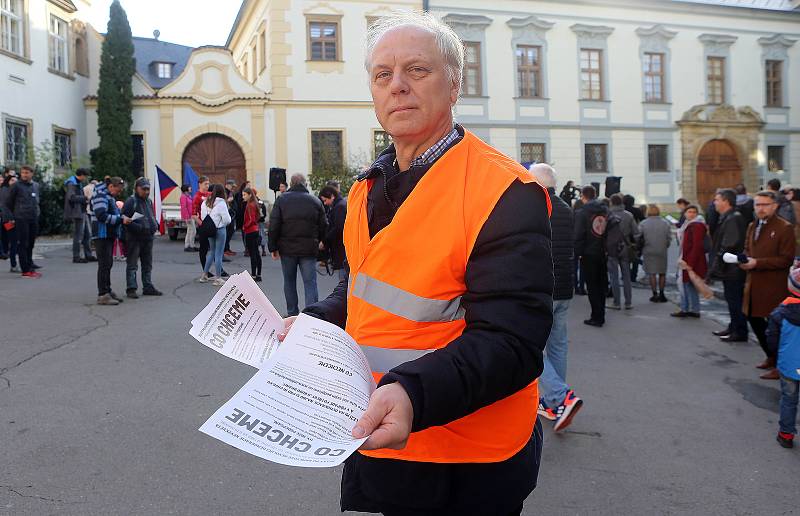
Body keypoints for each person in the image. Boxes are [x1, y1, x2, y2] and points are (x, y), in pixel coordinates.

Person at [279, 13, 551, 514]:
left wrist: (412, 393)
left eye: (417, 70)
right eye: (383, 75)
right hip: (386, 435)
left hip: (466, 458)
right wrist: (314, 325)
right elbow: (364, 287)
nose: (397, 86)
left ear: (455, 85)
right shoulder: (366, 188)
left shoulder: (506, 191)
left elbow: (512, 340)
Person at [530, 163, 582, 431]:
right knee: (558, 345)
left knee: (530, 346)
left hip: (543, 288)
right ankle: (555, 403)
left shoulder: (536, 207)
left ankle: (561, 397)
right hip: (565, 288)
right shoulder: (565, 208)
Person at [741, 190, 795, 379]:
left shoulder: (784, 227)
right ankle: (771, 356)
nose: (760, 209)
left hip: (773, 285)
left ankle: (783, 365)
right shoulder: (752, 225)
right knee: (753, 319)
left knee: (776, 326)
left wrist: (758, 263)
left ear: (775, 206)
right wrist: (744, 260)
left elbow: (786, 259)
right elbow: (748, 249)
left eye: (765, 205)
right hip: (753, 283)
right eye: (757, 205)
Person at [268, 173, 327, 316]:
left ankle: (292, 313)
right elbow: (323, 225)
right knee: (310, 283)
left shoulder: (282, 200)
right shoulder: (315, 201)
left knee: (289, 282)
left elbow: (274, 225)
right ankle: (311, 315)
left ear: (291, 183)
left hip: (287, 249)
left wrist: (273, 247)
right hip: (308, 249)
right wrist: (320, 241)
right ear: (305, 184)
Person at [766, 265, 800, 449]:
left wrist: (776, 354)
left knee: (789, 399)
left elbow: (771, 340)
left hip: (789, 365)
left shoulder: (780, 313)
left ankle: (786, 434)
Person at [708, 188, 748, 342]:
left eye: (717, 200)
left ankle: (739, 331)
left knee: (735, 301)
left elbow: (729, 245)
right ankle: (733, 327)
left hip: (732, 268)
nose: (714, 203)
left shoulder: (733, 218)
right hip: (729, 268)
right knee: (732, 301)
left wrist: (716, 266)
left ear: (726, 201)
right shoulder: (727, 217)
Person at [91, 177, 131, 305]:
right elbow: (101, 215)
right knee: (104, 265)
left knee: (107, 264)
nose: (118, 193)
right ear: (111, 186)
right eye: (118, 190)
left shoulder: (107, 196)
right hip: (101, 234)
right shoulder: (101, 195)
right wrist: (120, 220)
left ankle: (107, 290)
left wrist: (120, 216)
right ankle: (103, 294)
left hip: (107, 234)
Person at [122, 177, 162, 299]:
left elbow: (150, 215)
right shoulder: (131, 201)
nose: (146, 191)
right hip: (134, 239)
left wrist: (155, 224)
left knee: (147, 264)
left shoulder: (149, 201)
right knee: (132, 264)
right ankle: (131, 288)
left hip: (148, 238)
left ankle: (147, 286)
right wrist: (138, 227)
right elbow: (123, 218)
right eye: (144, 189)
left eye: (148, 189)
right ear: (137, 188)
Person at [575, 184, 608, 326]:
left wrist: (578, 253)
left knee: (592, 286)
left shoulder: (582, 213)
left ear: (583, 196)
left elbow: (578, 235)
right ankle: (601, 314)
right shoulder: (605, 210)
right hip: (603, 251)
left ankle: (596, 316)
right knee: (601, 284)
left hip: (588, 253)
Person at [4, 165, 41, 278]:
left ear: (32, 173)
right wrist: (13, 216)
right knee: (23, 244)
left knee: (31, 243)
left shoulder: (35, 186)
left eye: (27, 173)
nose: (24, 175)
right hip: (21, 218)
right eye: (23, 172)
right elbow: (8, 203)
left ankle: (30, 267)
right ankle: (25, 270)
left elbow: (37, 201)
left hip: (33, 218)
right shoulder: (16, 186)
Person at [673, 204, 708, 318]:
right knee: (687, 285)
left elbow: (696, 246)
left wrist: (690, 264)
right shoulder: (687, 225)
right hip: (687, 258)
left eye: (694, 212)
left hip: (691, 260)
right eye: (689, 212)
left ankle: (689, 309)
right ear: (685, 214)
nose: (691, 214)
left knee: (687, 285)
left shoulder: (696, 226)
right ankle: (690, 309)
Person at [606, 193, 639, 310]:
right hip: (625, 246)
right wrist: (635, 245)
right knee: (626, 276)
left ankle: (616, 302)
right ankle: (628, 302)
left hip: (611, 247)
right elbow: (636, 232)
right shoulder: (629, 215)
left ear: (611, 203)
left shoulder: (607, 215)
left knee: (613, 276)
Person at [198, 184, 231, 287]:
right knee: (219, 254)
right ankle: (218, 278)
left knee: (212, 252)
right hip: (220, 230)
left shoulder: (205, 202)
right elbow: (227, 220)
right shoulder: (222, 203)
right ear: (222, 193)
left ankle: (204, 275)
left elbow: (203, 217)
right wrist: (221, 224)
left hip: (209, 229)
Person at [639, 204, 672, 302]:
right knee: (662, 273)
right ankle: (662, 293)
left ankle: (654, 293)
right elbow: (669, 238)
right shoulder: (665, 223)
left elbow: (638, 236)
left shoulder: (643, 223)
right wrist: (665, 245)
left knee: (652, 273)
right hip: (661, 250)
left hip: (648, 249)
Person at [63, 168, 95, 263]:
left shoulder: (77, 183)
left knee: (87, 234)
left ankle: (88, 255)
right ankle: (76, 256)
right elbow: (71, 197)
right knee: (78, 235)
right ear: (82, 175)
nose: (86, 179)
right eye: (85, 177)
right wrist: (85, 198)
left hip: (81, 211)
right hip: (76, 212)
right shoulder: (72, 183)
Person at [319, 185, 347, 281]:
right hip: (342, 248)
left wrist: (325, 241)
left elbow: (337, 228)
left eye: (325, 200)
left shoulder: (339, 207)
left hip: (341, 249)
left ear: (332, 196)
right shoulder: (340, 205)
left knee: (343, 281)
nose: (325, 203)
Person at [192, 176, 213, 274]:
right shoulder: (197, 197)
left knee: (214, 249)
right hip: (204, 227)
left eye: (208, 184)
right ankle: (206, 271)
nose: (207, 186)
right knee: (203, 249)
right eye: (205, 184)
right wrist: (202, 224)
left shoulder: (210, 194)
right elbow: (193, 215)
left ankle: (219, 270)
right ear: (200, 184)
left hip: (213, 226)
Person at [241, 186, 262, 282]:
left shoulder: (250, 205)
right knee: (256, 253)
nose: (243, 197)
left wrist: (245, 227)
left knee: (252, 253)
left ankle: (253, 274)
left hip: (250, 231)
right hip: (256, 230)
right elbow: (257, 218)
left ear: (249, 195)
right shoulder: (255, 203)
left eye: (244, 195)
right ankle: (258, 274)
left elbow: (251, 219)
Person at [0, 172, 19, 271]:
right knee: (13, 242)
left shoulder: (12, 190)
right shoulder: (5, 190)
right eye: (12, 180)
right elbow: (4, 207)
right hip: (9, 220)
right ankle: (13, 265)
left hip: (14, 219)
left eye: (16, 181)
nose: (14, 182)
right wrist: (11, 219)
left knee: (14, 242)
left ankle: (14, 264)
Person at [180, 184, 197, 252]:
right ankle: (190, 245)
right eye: (189, 187)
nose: (190, 188)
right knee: (193, 231)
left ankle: (188, 245)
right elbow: (184, 207)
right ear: (186, 189)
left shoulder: (188, 196)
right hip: (188, 216)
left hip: (191, 215)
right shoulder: (183, 197)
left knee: (190, 231)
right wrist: (187, 217)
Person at [224, 179, 237, 256]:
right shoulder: (224, 192)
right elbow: (221, 202)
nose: (233, 188)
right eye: (232, 186)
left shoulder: (230, 192)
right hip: (227, 216)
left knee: (230, 232)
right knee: (227, 233)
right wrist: (228, 200)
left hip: (231, 215)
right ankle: (225, 249)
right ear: (227, 185)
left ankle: (227, 248)